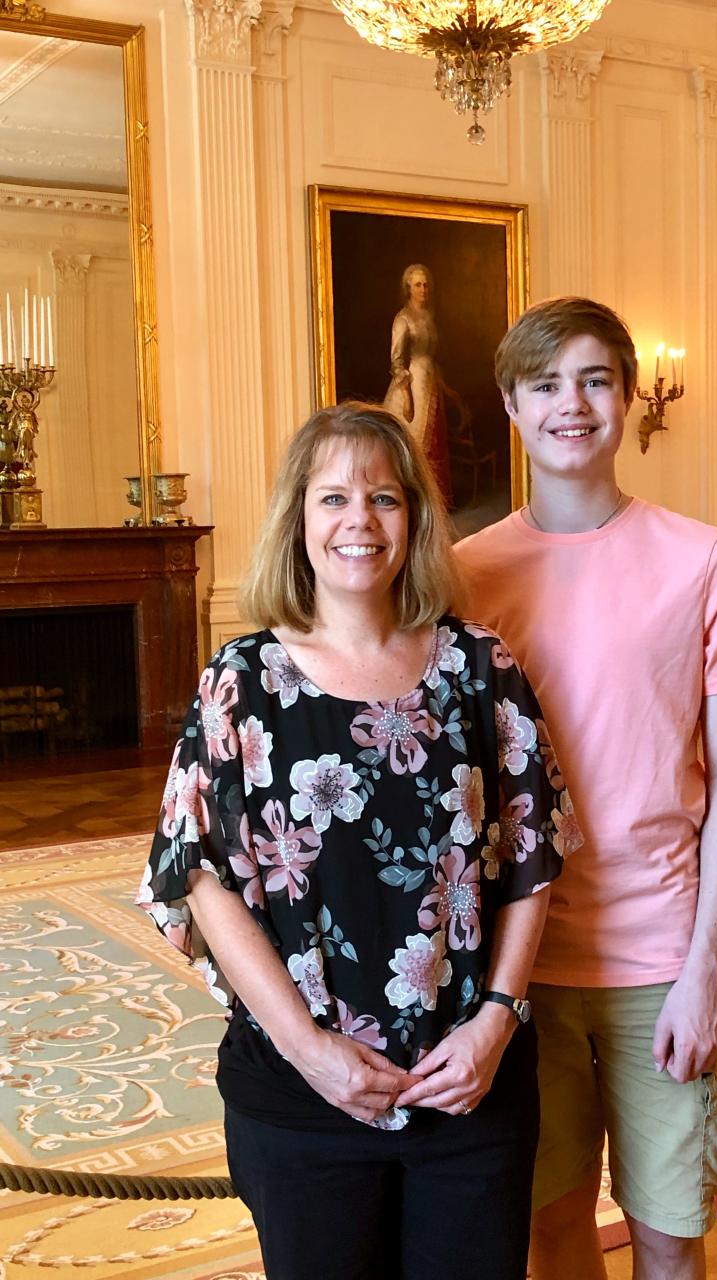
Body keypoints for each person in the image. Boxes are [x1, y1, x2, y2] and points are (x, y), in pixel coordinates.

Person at [137, 402, 574, 1280]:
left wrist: (496, 1021)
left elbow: (534, 855)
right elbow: (199, 879)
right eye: (332, 499)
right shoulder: (242, 680)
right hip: (299, 1098)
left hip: (469, 1091)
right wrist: (309, 1049)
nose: (359, 523)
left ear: (413, 517)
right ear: (298, 520)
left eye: (383, 498)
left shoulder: (479, 666)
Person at [454, 298, 717, 1280]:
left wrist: (706, 968)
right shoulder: (465, 575)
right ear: (512, 405)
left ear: (629, 398)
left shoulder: (703, 559)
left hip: (659, 957)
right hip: (522, 967)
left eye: (595, 379)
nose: (572, 404)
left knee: (670, 1237)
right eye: (546, 384)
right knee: (551, 1229)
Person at [382, 263, 454, 506]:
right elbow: (397, 361)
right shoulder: (403, 319)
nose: (423, 289)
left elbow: (431, 358)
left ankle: (436, 502)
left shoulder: (428, 317)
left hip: (430, 382)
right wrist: (408, 397)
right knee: (415, 443)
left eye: (425, 284)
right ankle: (416, 503)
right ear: (408, 288)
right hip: (411, 386)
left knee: (435, 441)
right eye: (417, 285)